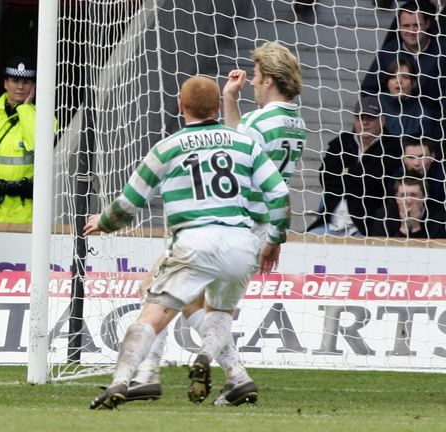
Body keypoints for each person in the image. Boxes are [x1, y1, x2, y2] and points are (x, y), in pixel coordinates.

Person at [120, 41, 307, 404]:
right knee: (198, 303)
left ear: (268, 79)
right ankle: (231, 376)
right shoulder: (295, 121)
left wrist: (227, 102)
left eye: (254, 76)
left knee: (161, 288)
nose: (251, 82)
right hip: (259, 225)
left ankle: (152, 374)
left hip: (235, 223)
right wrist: (232, 99)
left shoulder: (260, 120)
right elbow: (247, 146)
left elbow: (234, 150)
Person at [87, 76, 289, 410]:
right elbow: (279, 193)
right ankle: (224, 369)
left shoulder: (167, 147)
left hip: (195, 240)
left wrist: (103, 223)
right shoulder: (243, 143)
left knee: (153, 311)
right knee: (219, 310)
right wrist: (275, 238)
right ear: (216, 107)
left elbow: (128, 204)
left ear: (181, 106)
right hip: (241, 242)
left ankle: (123, 379)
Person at [307, 97, 402, 236]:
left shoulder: (392, 147)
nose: (364, 122)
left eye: (370, 117)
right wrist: (359, 178)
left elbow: (375, 184)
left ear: (382, 120)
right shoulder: (341, 143)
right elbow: (326, 178)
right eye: (360, 117)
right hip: (329, 224)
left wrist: (346, 174)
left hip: (364, 227)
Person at [361, 1, 446, 122]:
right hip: (393, 122)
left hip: (432, 123)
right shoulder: (389, 52)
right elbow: (368, 89)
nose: (411, 31)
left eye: (416, 25)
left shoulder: (442, 50)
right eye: (406, 26)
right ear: (399, 26)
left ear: (427, 24)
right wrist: (387, 110)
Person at [0, 56, 38, 223]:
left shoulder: (42, 117)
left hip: (25, 207)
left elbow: (37, 144)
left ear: (34, 86)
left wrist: (25, 109)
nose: (20, 87)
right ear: (5, 83)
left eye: (26, 82)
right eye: (15, 80)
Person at [379, 57, 440, 140]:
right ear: (387, 82)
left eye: (405, 77)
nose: (399, 81)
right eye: (393, 76)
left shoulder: (423, 115)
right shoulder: (375, 105)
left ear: (414, 83)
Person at [370, 176, 445, 238]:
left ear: (424, 197)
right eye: (403, 195)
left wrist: (416, 227)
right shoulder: (384, 215)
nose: (408, 200)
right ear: (396, 198)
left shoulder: (440, 217)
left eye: (413, 195)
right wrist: (403, 228)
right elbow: (381, 250)